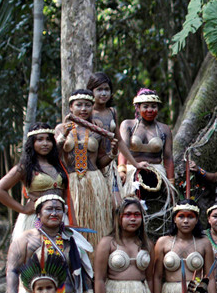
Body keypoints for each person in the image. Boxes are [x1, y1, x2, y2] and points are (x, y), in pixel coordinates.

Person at [55, 89, 116, 250]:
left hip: (95, 182)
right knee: (73, 221)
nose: (83, 109)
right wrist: (63, 136)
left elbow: (101, 162)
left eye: (88, 105)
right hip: (71, 183)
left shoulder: (97, 129)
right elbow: (55, 157)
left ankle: (97, 257)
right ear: (71, 107)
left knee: (97, 224)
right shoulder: (61, 128)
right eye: (79, 105)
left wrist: (112, 153)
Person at [152, 201, 217, 293]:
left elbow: (210, 277)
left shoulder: (204, 243)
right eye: (181, 216)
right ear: (174, 219)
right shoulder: (163, 242)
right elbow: (157, 277)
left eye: (190, 217)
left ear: (197, 219)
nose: (186, 221)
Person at [0, 123, 70, 233]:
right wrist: (23, 209)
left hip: (59, 219)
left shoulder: (58, 165)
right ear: (32, 143)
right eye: (40, 139)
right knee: (36, 244)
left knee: (61, 244)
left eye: (48, 139)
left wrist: (72, 220)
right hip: (35, 219)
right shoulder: (25, 167)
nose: (45, 143)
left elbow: (66, 196)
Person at [117, 88, 176, 235]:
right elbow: (122, 149)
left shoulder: (164, 129)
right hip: (132, 169)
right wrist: (122, 170)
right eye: (146, 106)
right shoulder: (128, 125)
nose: (150, 110)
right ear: (137, 107)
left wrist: (171, 183)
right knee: (129, 196)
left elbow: (168, 157)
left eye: (153, 106)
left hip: (156, 170)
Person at [87, 71, 124, 210]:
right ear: (91, 91)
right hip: (92, 168)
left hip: (110, 166)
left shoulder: (112, 112)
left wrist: (133, 164)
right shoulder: (86, 113)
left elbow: (119, 140)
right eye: (99, 90)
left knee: (117, 206)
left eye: (107, 89)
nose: (103, 93)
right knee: (97, 207)